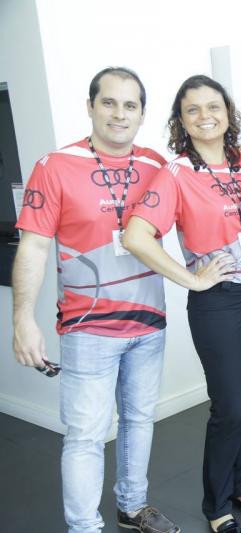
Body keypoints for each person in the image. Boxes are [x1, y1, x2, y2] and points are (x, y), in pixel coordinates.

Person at [11, 67, 180, 533]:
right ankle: (85, 527)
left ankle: (133, 506)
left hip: (148, 323)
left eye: (130, 105)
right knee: (86, 435)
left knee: (139, 420)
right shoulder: (55, 166)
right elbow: (34, 246)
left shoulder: (157, 165)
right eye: (108, 102)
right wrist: (23, 318)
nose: (119, 114)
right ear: (90, 106)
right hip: (88, 330)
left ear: (142, 114)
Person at [123, 75, 241, 533]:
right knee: (229, 406)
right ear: (181, 120)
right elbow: (136, 236)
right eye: (193, 109)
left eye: (214, 106)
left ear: (228, 112)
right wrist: (192, 279)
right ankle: (216, 505)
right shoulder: (175, 173)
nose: (205, 116)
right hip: (219, 302)